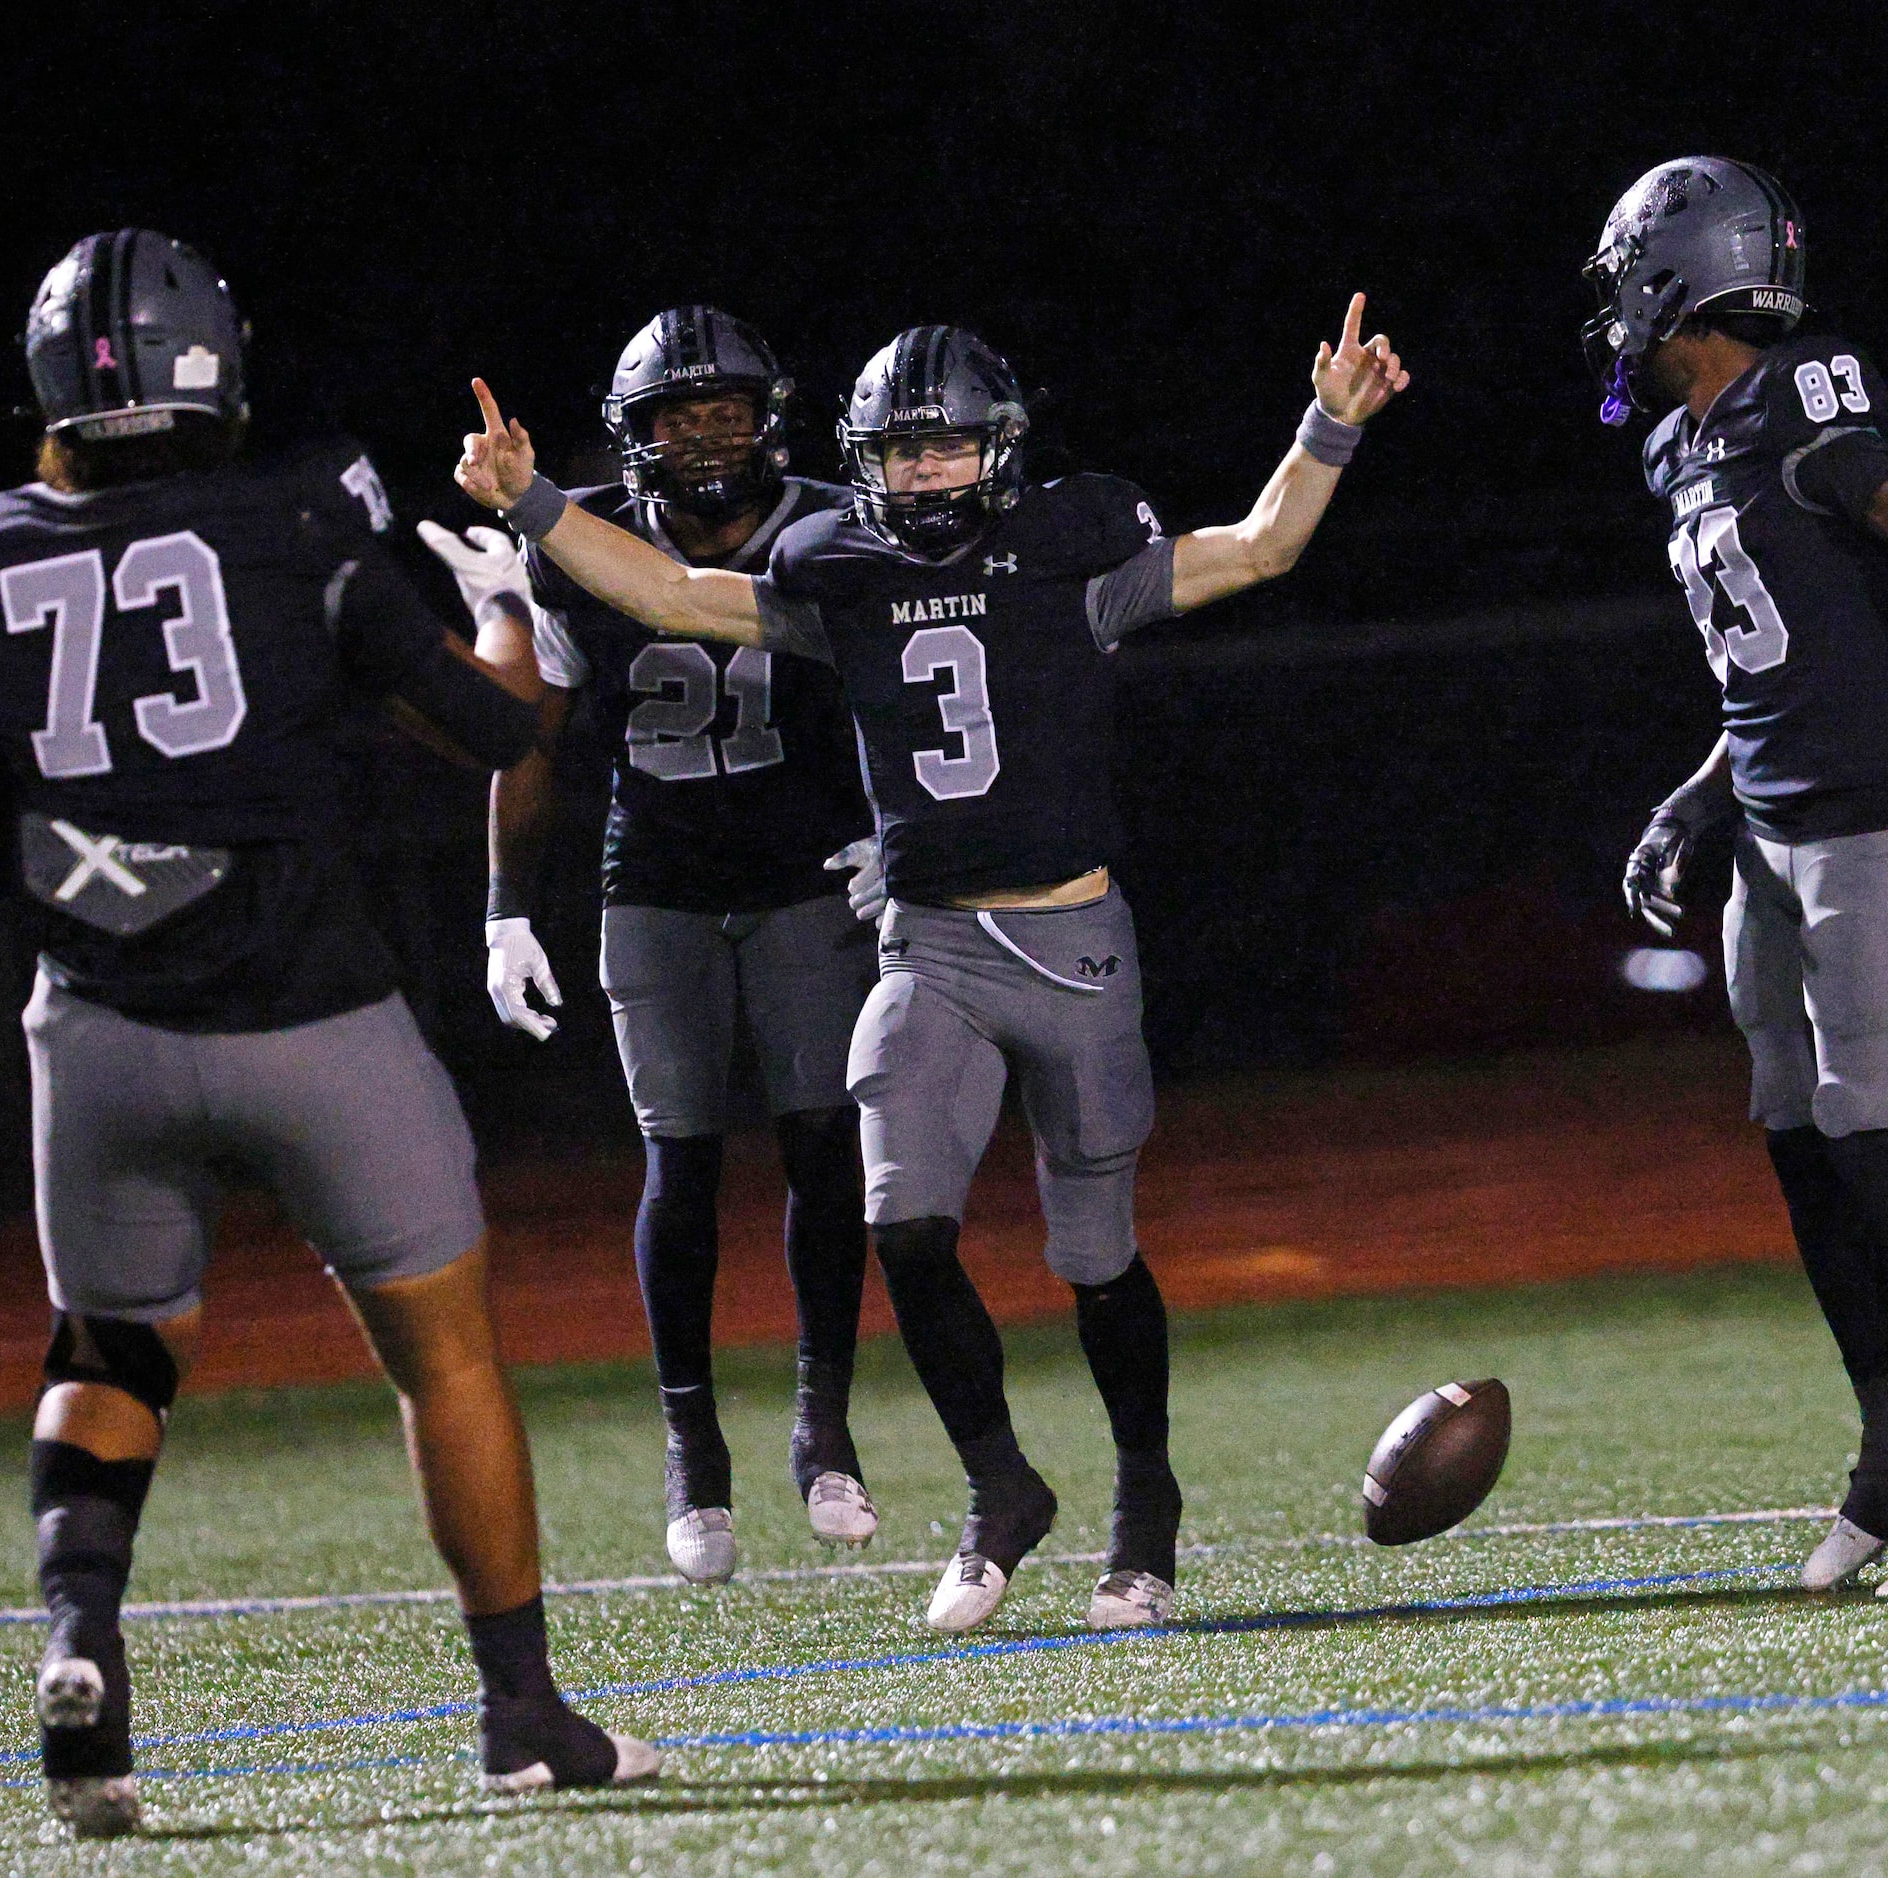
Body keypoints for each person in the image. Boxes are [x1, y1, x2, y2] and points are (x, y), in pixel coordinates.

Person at [451, 295, 1407, 1633]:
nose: (922, 473)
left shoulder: (1070, 544)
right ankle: (999, 1489)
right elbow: (668, 592)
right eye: (898, 452)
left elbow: (1256, 550)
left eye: (945, 449)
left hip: (1071, 942)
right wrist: (539, 505)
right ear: (862, 459)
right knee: (896, 1216)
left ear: (999, 450)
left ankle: (1144, 1499)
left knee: (1094, 1257)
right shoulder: (840, 567)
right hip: (930, 944)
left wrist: (1328, 427)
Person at [0, 230, 659, 1838]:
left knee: (107, 1353)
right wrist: (511, 603)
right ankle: (521, 1713)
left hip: (97, 1030)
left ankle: (81, 1647)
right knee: (442, 1350)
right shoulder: (295, 520)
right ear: (214, 366)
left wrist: (129, 902)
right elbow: (497, 728)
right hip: (315, 1018)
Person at [1586, 160, 1888, 1597]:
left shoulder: (1803, 401)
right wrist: (1689, 799)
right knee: (1794, 1132)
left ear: (1676, 276)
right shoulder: (1681, 443)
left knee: (1868, 1125)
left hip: (1861, 832)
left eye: (1624, 273)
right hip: (1766, 836)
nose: (1610, 303)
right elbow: (1770, 673)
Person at [420, 306, 877, 1586]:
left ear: (768, 415)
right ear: (640, 435)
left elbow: (912, 677)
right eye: (683, 416)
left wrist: (909, 834)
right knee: (679, 1165)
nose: (710, 435)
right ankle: (693, 1455)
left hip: (806, 877)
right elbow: (530, 737)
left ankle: (823, 1428)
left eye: (727, 410)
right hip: (660, 886)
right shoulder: (583, 545)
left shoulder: (833, 527)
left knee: (821, 1146)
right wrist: (506, 905)